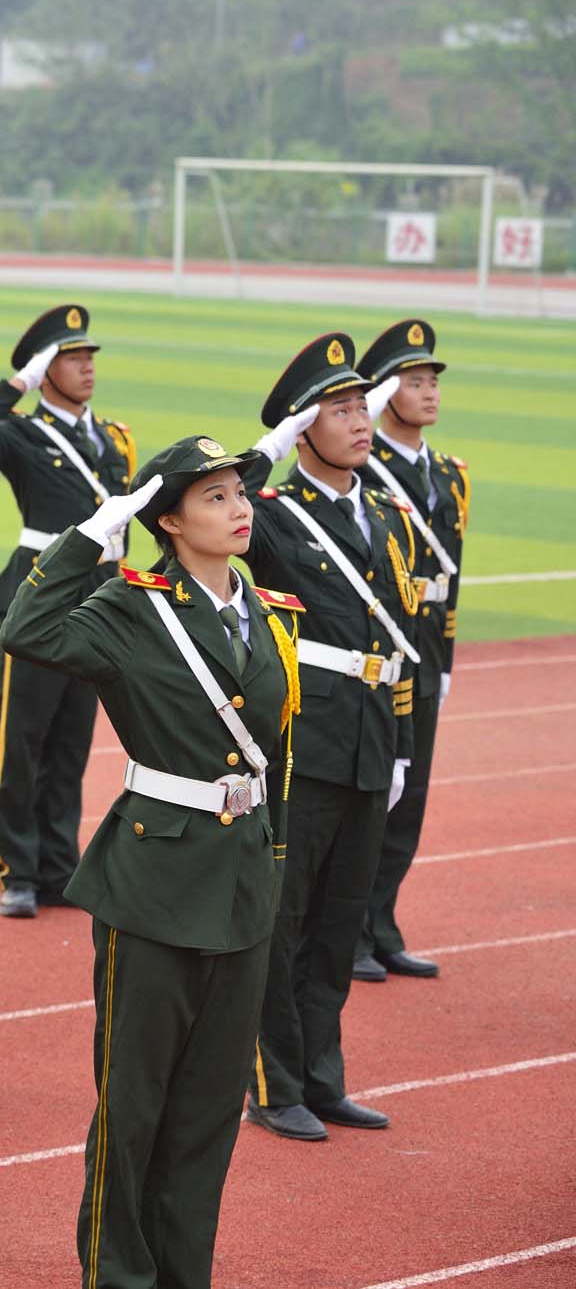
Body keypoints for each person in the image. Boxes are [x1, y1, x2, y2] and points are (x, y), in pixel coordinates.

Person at [2, 436, 298, 1289]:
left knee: (208, 1109)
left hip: (242, 882)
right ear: (166, 520)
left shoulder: (273, 612)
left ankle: (182, 1271)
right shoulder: (128, 607)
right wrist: (94, 531)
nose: (238, 507)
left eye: (239, 492)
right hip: (155, 881)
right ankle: (119, 1275)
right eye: (212, 497)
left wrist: (272, 868)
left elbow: (276, 760)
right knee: (135, 1105)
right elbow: (27, 628)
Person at [239, 333, 419, 1142]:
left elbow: (399, 637)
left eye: (359, 406)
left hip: (370, 737)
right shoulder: (275, 516)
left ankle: (323, 1074)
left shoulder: (385, 515)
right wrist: (270, 444)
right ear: (303, 427)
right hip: (305, 739)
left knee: (341, 918)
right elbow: (214, 501)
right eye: (337, 409)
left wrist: (404, 741)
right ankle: (274, 1083)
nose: (359, 420)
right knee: (284, 920)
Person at [0, 305, 136, 918]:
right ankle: (18, 867)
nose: (87, 368)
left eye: (89, 357)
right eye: (70, 358)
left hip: (97, 601)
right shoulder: (23, 432)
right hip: (38, 595)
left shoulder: (114, 437)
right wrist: (19, 383)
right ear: (44, 369)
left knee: (71, 742)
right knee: (23, 740)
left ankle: (60, 864)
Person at [349, 320, 467, 983]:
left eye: (431, 382)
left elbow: (450, 578)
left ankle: (383, 922)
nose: (427, 393)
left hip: (423, 656)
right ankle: (353, 931)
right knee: (371, 800)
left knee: (410, 797)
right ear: (384, 393)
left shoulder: (449, 476)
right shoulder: (363, 466)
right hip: (377, 655)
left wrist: (445, 660)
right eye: (411, 382)